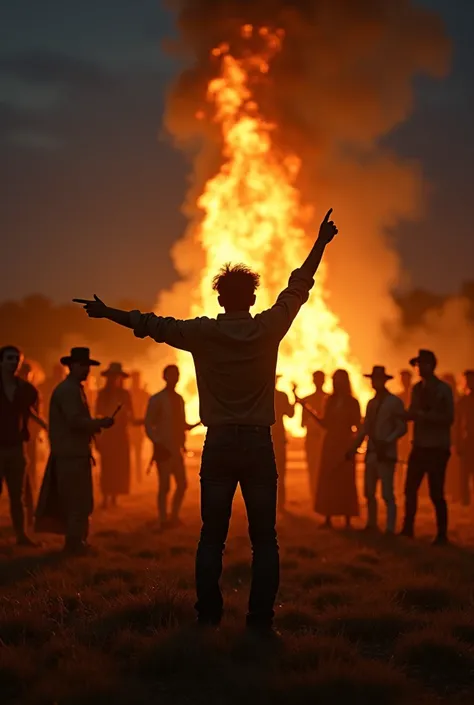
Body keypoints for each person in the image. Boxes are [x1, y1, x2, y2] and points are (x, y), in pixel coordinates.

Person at [74, 207, 338, 635]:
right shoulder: (269, 327)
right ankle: (260, 622)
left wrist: (108, 313)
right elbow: (298, 287)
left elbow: (150, 325)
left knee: (210, 537)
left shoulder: (201, 333)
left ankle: (208, 617)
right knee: (264, 540)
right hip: (257, 444)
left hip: (217, 445)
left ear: (219, 299)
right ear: (252, 299)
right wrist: (320, 244)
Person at [35, 347, 114, 554]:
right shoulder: (69, 390)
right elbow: (75, 421)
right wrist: (100, 422)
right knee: (78, 502)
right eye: (82, 365)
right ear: (71, 366)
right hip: (71, 456)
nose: (87, 370)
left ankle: (78, 542)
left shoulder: (73, 388)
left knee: (80, 501)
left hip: (73, 454)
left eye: (88, 366)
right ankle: (75, 544)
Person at [399, 349, 454, 545]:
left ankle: (442, 534)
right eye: (417, 364)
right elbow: (414, 412)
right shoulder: (416, 389)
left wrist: (425, 417)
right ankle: (408, 528)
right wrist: (404, 415)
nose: (419, 368)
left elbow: (449, 418)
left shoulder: (443, 390)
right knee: (410, 489)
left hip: (437, 448)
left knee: (436, 493)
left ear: (432, 365)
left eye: (422, 364)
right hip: (420, 446)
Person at [347, 366, 407, 534]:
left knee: (387, 493)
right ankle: (371, 524)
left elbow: (401, 427)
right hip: (372, 453)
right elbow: (365, 429)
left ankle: (389, 527)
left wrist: (387, 441)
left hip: (386, 453)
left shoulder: (394, 403)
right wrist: (354, 448)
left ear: (384, 381)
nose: (375, 382)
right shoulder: (371, 403)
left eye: (378, 379)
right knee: (369, 492)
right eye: (374, 379)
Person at [0, 345, 42, 546]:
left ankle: (21, 536)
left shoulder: (26, 389)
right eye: (9, 358)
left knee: (17, 496)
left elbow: (30, 411)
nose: (13, 362)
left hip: (17, 447)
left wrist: (45, 427)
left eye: (16, 358)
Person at [145, 365, 195, 529]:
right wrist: (157, 442)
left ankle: (173, 516)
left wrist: (191, 427)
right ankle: (163, 519)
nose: (175, 378)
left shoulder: (179, 399)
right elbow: (148, 424)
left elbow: (181, 423)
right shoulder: (157, 399)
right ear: (165, 377)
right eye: (172, 375)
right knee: (165, 486)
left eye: (177, 375)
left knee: (182, 484)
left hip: (176, 449)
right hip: (163, 449)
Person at [313, 369, 361, 529]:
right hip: (331, 444)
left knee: (346, 480)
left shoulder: (352, 402)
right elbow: (325, 423)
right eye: (335, 380)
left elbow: (357, 425)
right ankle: (328, 518)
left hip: (345, 444)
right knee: (329, 479)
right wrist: (309, 410)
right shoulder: (330, 401)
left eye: (340, 380)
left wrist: (354, 444)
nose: (337, 383)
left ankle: (347, 519)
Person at [95, 362, 134, 508]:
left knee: (118, 467)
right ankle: (106, 496)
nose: (114, 379)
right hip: (107, 435)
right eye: (112, 377)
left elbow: (131, 415)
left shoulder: (125, 395)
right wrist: (97, 437)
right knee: (107, 467)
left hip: (121, 436)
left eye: (116, 377)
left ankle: (114, 497)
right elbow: (98, 415)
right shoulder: (102, 395)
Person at [300, 370, 328, 500]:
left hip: (323, 439)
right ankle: (315, 495)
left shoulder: (328, 399)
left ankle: (319, 495)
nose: (318, 382)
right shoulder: (308, 400)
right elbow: (303, 422)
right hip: (313, 439)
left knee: (321, 468)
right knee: (313, 467)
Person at [273, 379, 295, 513]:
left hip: (268, 438)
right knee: (280, 472)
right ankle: (280, 503)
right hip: (278, 438)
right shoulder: (282, 396)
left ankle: (276, 503)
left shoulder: (261, 396)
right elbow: (291, 414)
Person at [456, 370, 474, 506]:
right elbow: (457, 424)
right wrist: (458, 442)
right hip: (467, 441)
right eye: (468, 380)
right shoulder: (463, 401)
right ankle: (465, 501)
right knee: (464, 473)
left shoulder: (463, 401)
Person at [129, 370, 150, 485]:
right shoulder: (129, 393)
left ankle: (138, 477)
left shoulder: (143, 394)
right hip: (129, 429)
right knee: (128, 455)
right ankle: (132, 477)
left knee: (138, 454)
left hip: (138, 429)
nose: (136, 381)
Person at [396, 369, 413, 498]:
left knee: (411, 462)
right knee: (399, 462)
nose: (404, 381)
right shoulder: (399, 397)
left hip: (413, 433)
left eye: (406, 379)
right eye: (402, 379)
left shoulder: (416, 396)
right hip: (401, 434)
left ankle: (408, 488)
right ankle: (399, 487)